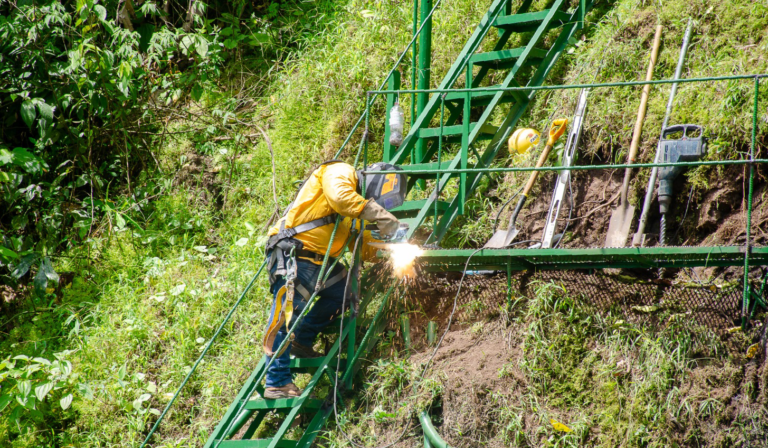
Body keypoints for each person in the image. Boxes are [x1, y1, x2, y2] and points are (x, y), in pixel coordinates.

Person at [262, 161, 406, 399]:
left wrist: (390, 249)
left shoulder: (353, 214)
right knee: (285, 318)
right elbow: (340, 197)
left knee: (346, 293)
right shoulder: (340, 171)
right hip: (296, 254)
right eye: (379, 202)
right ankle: (277, 382)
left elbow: (363, 249)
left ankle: (302, 339)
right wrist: (380, 215)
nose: (377, 206)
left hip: (322, 263)